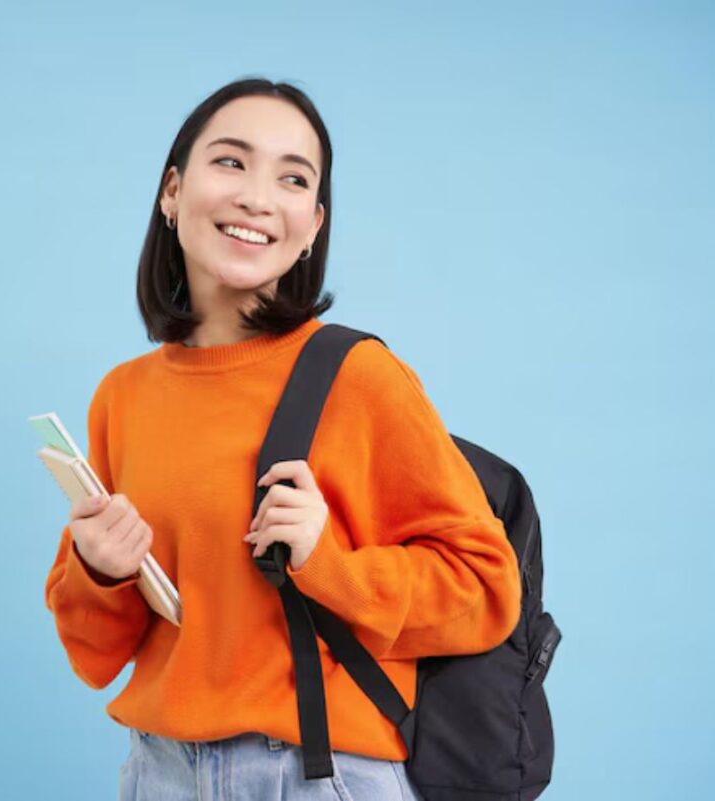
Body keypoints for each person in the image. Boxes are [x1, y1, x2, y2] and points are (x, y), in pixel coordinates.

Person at [44, 77, 522, 801]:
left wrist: (328, 564)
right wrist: (100, 569)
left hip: (315, 773)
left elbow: (487, 588)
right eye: (231, 162)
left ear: (313, 223)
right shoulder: (124, 395)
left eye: (292, 178)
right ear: (172, 191)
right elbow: (95, 652)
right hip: (158, 771)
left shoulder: (360, 376)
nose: (258, 197)